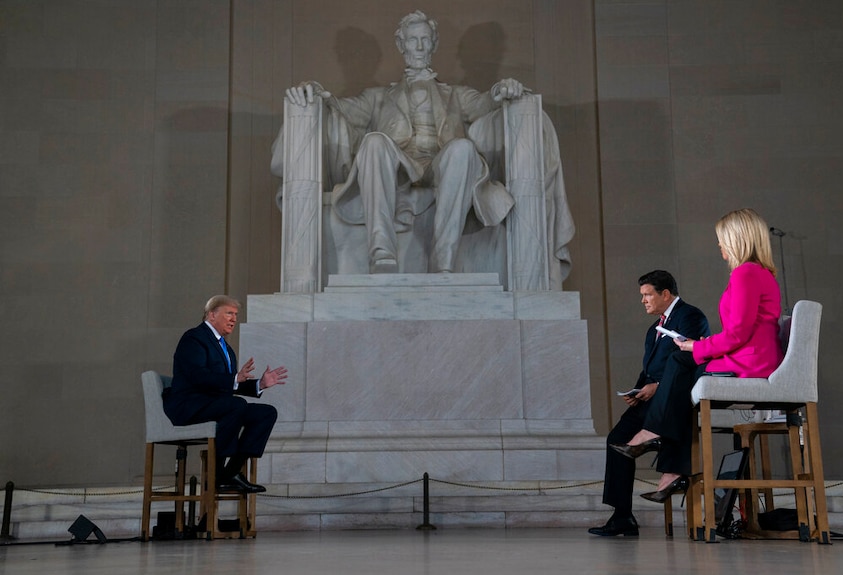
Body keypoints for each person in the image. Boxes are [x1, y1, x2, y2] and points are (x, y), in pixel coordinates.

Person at [279, 10, 574, 279]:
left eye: (425, 40)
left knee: (462, 148)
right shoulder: (378, 97)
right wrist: (315, 92)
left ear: (433, 45)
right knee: (374, 142)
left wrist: (502, 89)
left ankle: (443, 258)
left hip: (441, 165)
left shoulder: (456, 95)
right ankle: (381, 252)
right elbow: (340, 107)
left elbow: (486, 103)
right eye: (412, 40)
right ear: (401, 45)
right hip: (399, 169)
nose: (419, 47)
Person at [612, 208, 783, 505]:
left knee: (679, 365)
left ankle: (656, 441)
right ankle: (669, 468)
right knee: (680, 384)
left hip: (750, 362)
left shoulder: (746, 273)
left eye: (722, 240)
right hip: (751, 355)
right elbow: (741, 331)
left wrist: (696, 347)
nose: (719, 246)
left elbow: (738, 334)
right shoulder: (759, 273)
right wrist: (700, 346)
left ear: (737, 239)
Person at [589, 270, 710, 537]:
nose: (643, 300)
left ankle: (668, 468)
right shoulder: (652, 328)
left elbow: (690, 360)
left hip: (675, 396)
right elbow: (649, 370)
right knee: (616, 440)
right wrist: (638, 390)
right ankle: (622, 516)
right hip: (650, 398)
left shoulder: (690, 316)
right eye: (642, 295)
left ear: (665, 294)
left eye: (647, 295)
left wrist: (658, 387)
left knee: (648, 431)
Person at [163, 295, 288, 493]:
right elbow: (197, 376)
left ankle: (230, 472)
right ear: (212, 315)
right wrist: (234, 380)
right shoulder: (194, 337)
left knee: (266, 413)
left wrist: (260, 384)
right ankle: (217, 472)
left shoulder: (226, 348)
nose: (234, 319)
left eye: (236, 315)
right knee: (235, 405)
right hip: (189, 405)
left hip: (216, 405)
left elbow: (230, 384)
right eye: (229, 313)